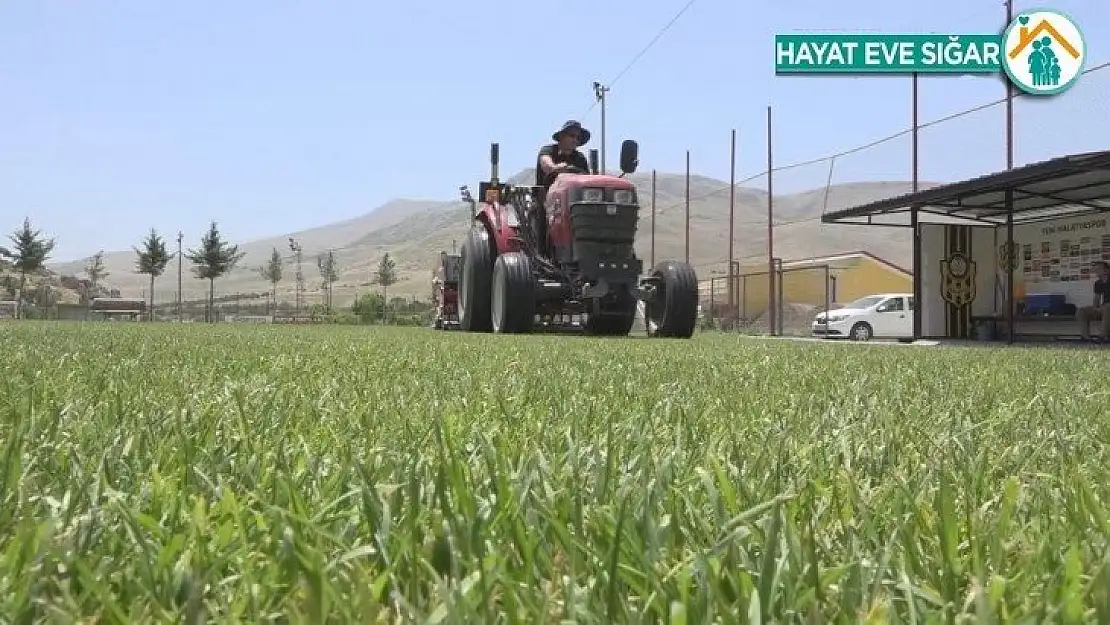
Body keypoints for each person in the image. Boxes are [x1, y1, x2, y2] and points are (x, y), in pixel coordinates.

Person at [536, 120, 592, 188]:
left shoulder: (580, 158)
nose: (575, 140)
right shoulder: (548, 150)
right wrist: (556, 168)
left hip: (574, 195)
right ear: (561, 136)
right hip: (546, 195)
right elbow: (547, 166)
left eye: (578, 138)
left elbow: (587, 179)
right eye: (572, 136)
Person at [1077, 260, 1110, 342]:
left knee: (1107, 307)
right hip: (1104, 308)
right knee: (1081, 311)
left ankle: (1103, 336)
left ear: (1106, 270)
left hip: (1108, 308)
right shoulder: (1098, 283)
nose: (1096, 271)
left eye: (1099, 269)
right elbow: (1097, 298)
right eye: (1095, 269)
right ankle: (1085, 337)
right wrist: (1096, 308)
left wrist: (1103, 308)